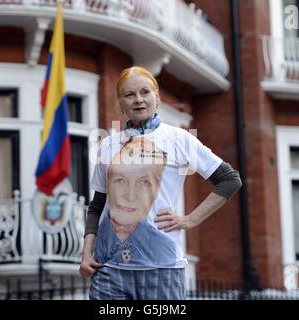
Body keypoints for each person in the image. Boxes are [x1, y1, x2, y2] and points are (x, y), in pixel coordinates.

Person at [79, 66, 242, 300]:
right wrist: (87, 253)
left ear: (157, 97)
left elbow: (229, 180)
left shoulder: (179, 139)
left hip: (161, 269)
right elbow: (97, 206)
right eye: (129, 95)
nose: (138, 100)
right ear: (120, 104)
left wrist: (190, 219)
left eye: (145, 92)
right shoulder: (108, 144)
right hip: (109, 271)